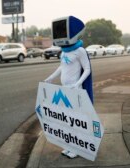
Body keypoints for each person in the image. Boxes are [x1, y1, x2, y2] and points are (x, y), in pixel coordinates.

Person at [44, 16, 93, 159]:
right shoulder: (65, 51)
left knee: (76, 120)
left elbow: (87, 69)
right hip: (64, 90)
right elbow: (62, 67)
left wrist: (78, 84)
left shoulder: (80, 51)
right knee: (66, 120)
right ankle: (69, 145)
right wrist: (51, 77)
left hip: (75, 90)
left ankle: (77, 148)